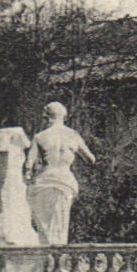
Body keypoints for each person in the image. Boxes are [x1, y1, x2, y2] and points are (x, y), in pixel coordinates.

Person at [25, 101, 95, 246]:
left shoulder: (40, 136)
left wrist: (29, 175)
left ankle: (49, 260)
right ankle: (57, 259)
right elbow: (91, 159)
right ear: (63, 117)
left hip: (44, 181)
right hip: (65, 181)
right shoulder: (73, 135)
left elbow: (28, 165)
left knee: (45, 226)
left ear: (48, 118)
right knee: (61, 222)